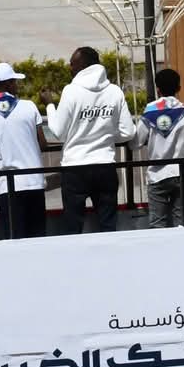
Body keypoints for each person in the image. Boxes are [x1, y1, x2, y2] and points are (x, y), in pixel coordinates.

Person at [46, 46, 132, 233]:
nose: (70, 68)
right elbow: (128, 132)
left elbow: (58, 132)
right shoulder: (114, 91)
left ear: (83, 66)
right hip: (105, 166)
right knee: (108, 225)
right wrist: (106, 136)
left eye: (72, 64)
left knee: (73, 227)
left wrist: (50, 106)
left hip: (75, 168)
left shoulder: (71, 91)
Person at [0, 62, 47, 238]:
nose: (16, 85)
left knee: (14, 240)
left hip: (8, 186)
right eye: (14, 81)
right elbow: (43, 143)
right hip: (34, 181)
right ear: (7, 84)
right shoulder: (29, 106)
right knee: (38, 239)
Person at [135, 68, 184, 228]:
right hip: (180, 173)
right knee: (183, 222)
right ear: (178, 88)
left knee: (157, 225)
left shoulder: (150, 110)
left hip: (157, 174)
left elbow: (136, 142)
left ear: (158, 89)